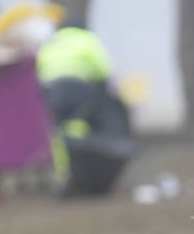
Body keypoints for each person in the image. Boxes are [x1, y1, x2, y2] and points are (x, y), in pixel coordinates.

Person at [36, 21, 134, 198]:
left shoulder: (51, 42)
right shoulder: (87, 39)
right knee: (78, 126)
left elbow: (39, 69)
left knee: (59, 132)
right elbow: (103, 69)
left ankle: (62, 175)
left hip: (53, 90)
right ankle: (81, 171)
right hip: (79, 88)